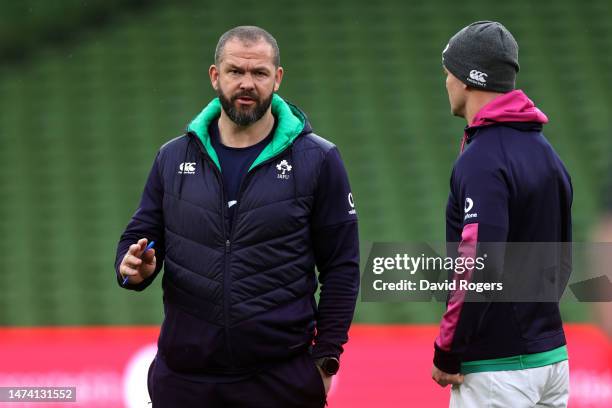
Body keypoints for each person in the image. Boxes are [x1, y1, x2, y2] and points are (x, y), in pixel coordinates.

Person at [114, 25, 359, 408]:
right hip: (185, 380)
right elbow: (140, 237)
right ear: (215, 76)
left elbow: (342, 266)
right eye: (235, 72)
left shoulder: (318, 159)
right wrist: (132, 269)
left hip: (280, 380)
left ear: (277, 79)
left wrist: (326, 360)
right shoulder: (173, 157)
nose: (247, 83)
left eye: (259, 73)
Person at [432, 21, 573, 407]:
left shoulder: (482, 160)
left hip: (497, 370)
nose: (446, 83)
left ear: (466, 79)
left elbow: (479, 261)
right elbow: (561, 263)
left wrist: (448, 350)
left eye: (448, 73)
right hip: (551, 359)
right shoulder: (547, 153)